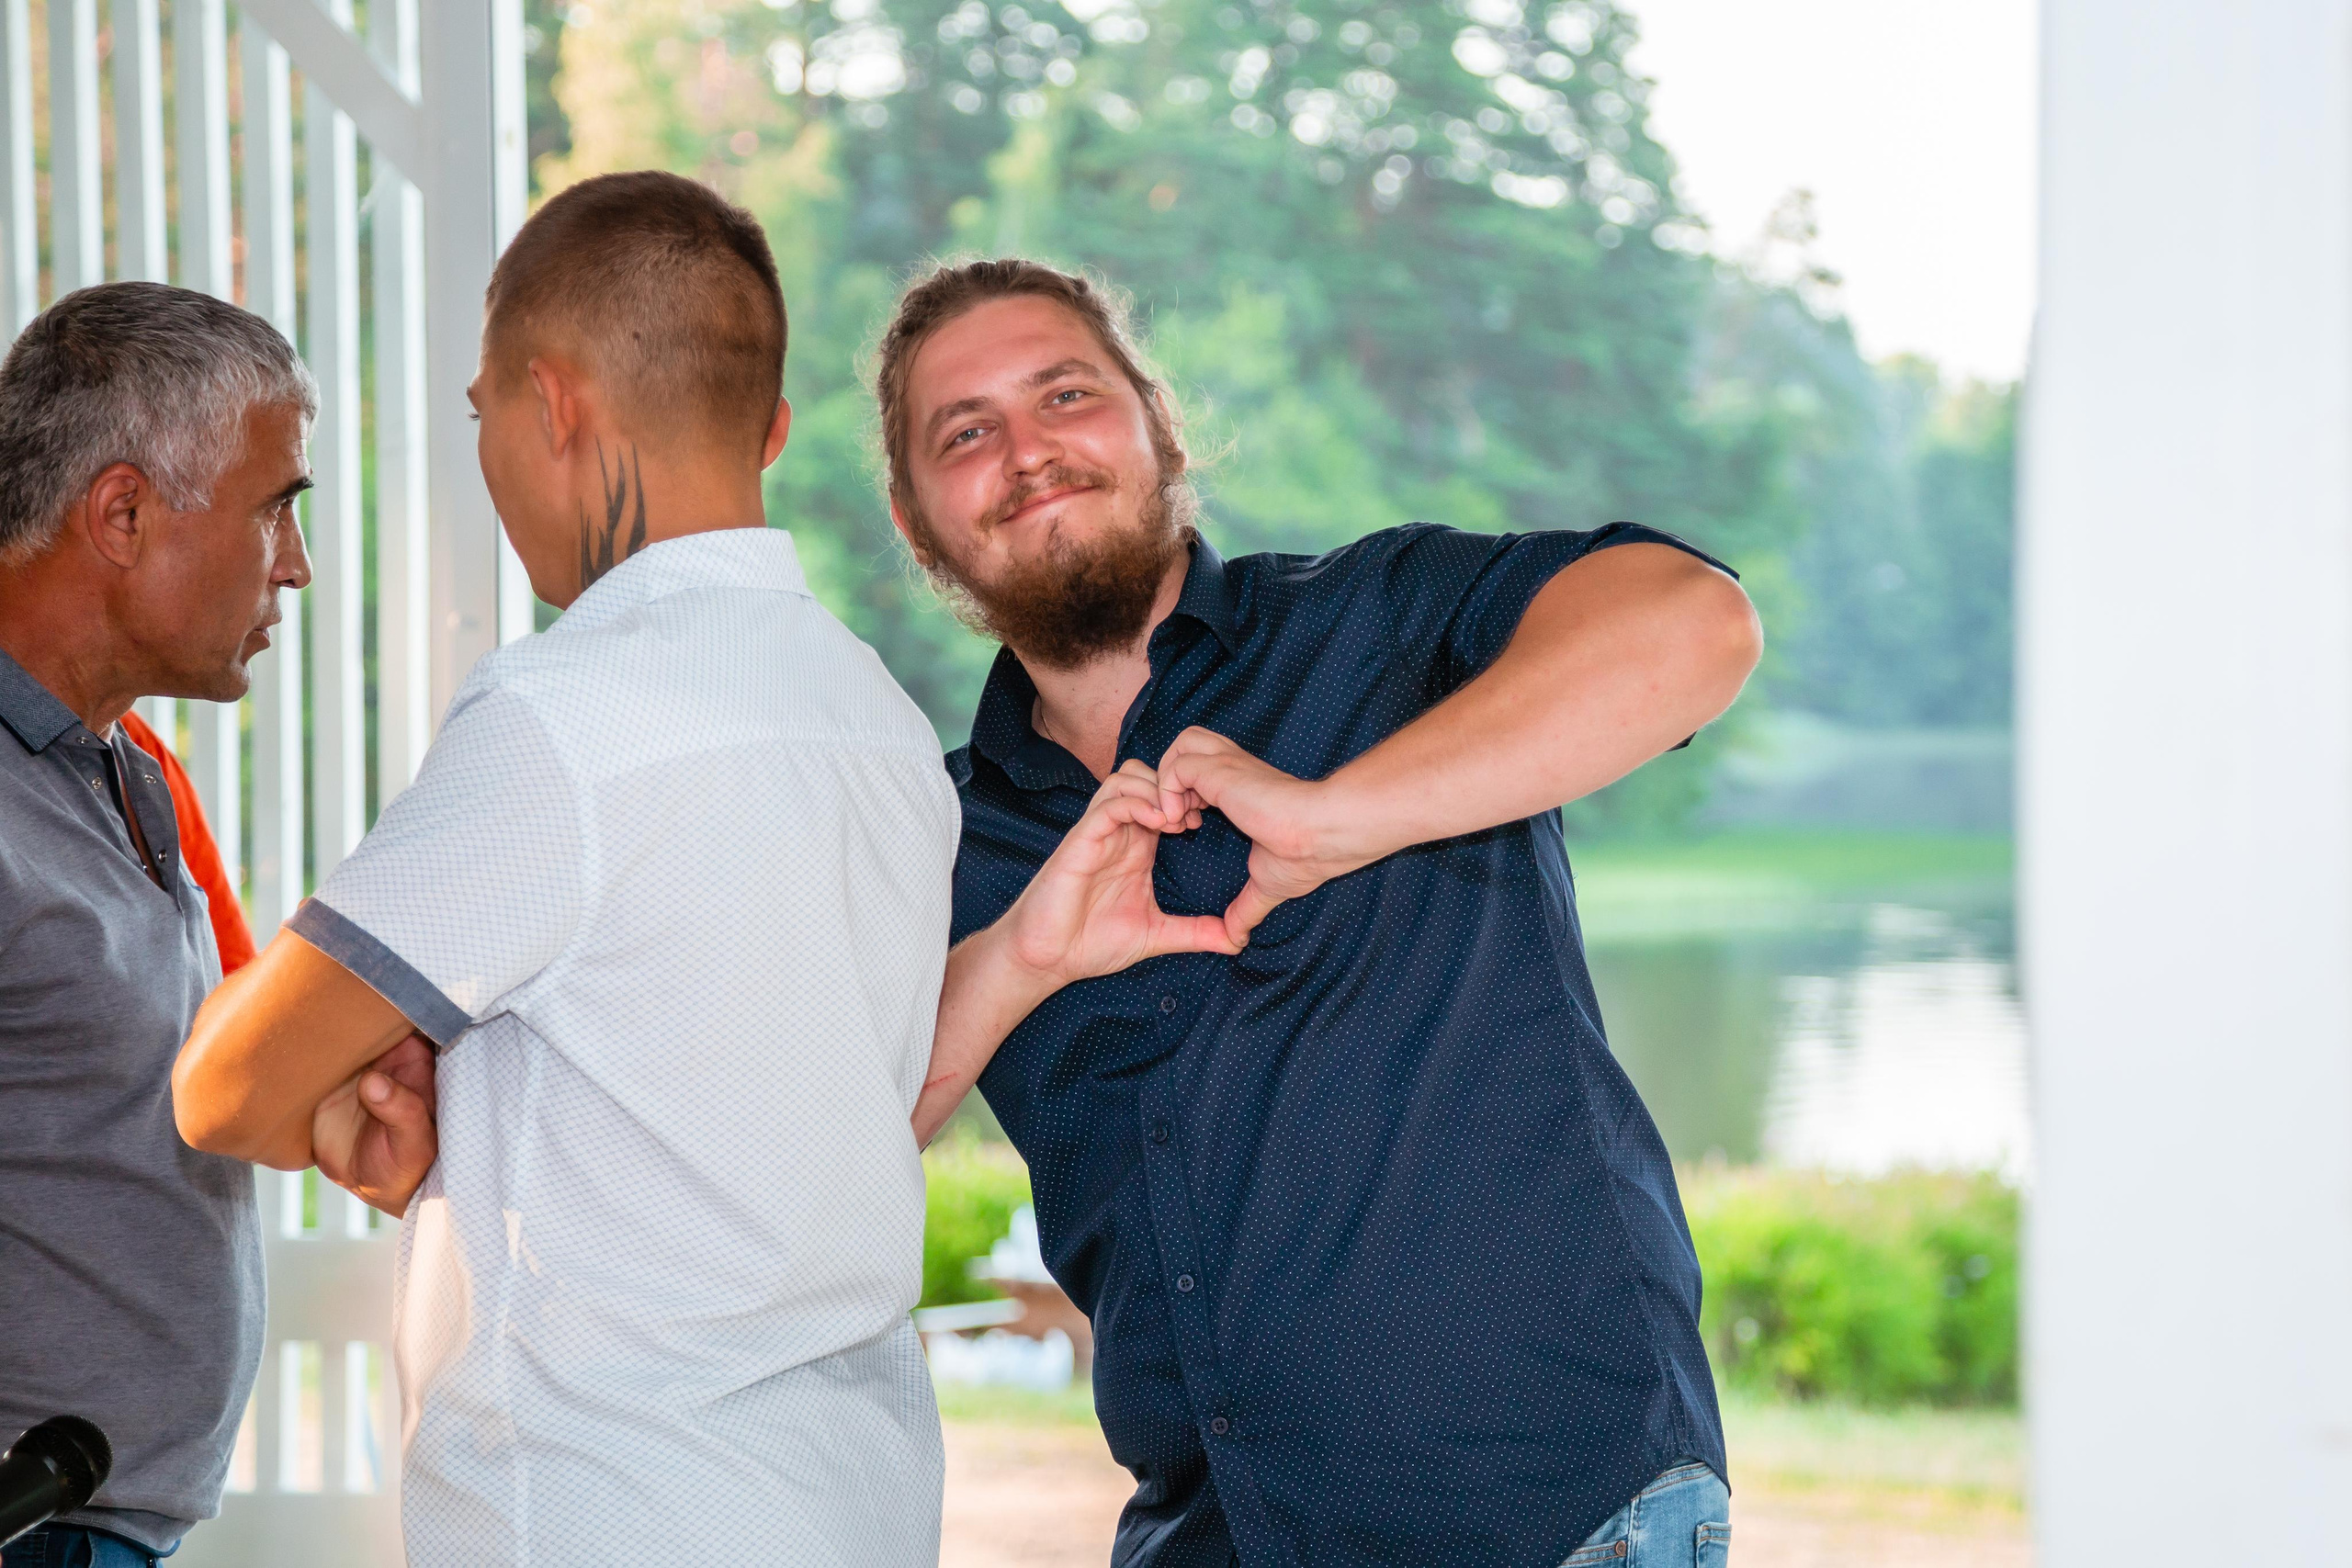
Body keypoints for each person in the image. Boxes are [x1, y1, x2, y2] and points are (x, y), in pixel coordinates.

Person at [894, 259, 1763, 1568]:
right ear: (915, 525)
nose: (1026, 451)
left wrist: (1342, 814)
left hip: (1555, 1522)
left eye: (1065, 394)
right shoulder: (937, 838)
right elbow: (826, 1155)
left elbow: (1697, 625)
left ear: (1158, 426)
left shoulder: (1384, 622)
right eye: (965, 433)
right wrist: (1018, 958)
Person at [173, 171, 957, 1567]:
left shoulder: (566, 718)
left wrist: (348, 1096)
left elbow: (226, 1085)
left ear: (553, 405)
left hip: (618, 1509)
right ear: (769, 427)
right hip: (858, 1504)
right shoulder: (883, 728)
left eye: (481, 414)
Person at [0, 282, 330, 1567]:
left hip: (101, 1525)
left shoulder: (128, 770)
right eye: (274, 508)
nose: (295, 563)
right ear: (123, 515)